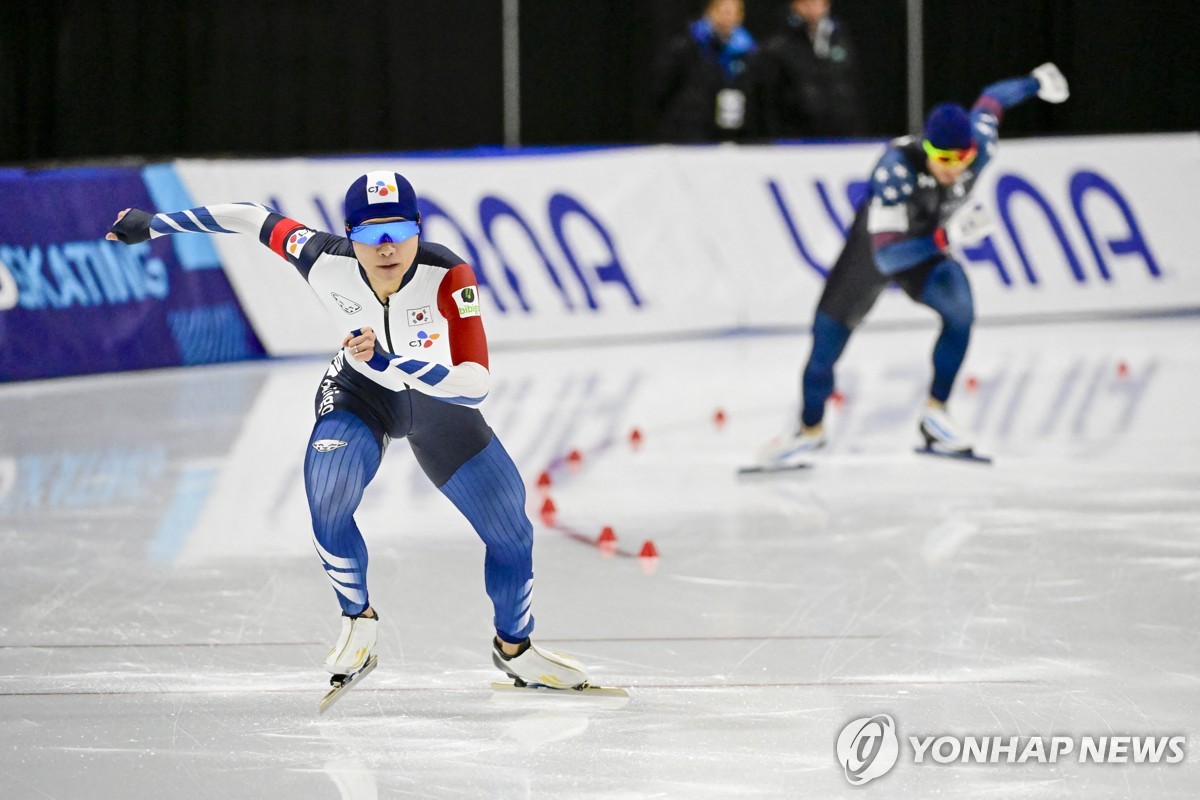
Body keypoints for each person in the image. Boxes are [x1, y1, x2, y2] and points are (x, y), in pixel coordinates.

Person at [106, 171, 591, 692]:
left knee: (512, 533)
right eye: (368, 234)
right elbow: (249, 217)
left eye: (398, 230)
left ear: (419, 228)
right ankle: (357, 618)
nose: (386, 248)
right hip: (361, 394)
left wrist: (397, 360)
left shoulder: (450, 275)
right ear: (348, 234)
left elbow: (475, 385)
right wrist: (155, 225)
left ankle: (514, 647)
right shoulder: (320, 257)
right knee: (329, 495)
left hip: (438, 402)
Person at [758, 63, 1070, 465]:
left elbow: (992, 99)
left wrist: (1036, 82)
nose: (953, 166)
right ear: (927, 149)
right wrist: (948, 237)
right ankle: (809, 430)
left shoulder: (983, 145)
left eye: (962, 157)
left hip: (924, 249)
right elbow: (887, 255)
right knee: (825, 340)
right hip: (875, 248)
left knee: (961, 310)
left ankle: (935, 415)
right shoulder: (895, 169)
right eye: (942, 157)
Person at [651, 0, 759, 143]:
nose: (729, 17)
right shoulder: (687, 45)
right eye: (724, 11)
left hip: (732, 130)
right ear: (710, 12)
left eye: (734, 12)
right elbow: (662, 88)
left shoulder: (748, 50)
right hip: (689, 130)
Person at [756, 0, 866, 138]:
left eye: (817, 2)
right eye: (806, 3)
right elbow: (769, 99)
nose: (812, 8)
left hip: (841, 130)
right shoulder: (780, 44)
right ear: (795, 6)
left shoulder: (840, 37)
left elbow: (852, 82)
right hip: (798, 135)